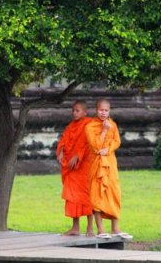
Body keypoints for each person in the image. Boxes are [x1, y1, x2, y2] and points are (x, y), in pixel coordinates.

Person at [85, 99, 132, 240]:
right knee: (97, 196)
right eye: (101, 110)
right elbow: (95, 146)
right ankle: (100, 229)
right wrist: (104, 131)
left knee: (114, 193)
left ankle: (115, 228)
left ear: (109, 111)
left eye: (106, 110)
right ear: (96, 110)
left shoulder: (113, 125)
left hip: (110, 164)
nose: (103, 113)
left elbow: (117, 141)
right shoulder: (90, 126)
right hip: (97, 165)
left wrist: (109, 149)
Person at [56, 100, 94, 236]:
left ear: (85, 112)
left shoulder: (90, 124)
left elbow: (90, 143)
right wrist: (60, 152)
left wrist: (78, 155)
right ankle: (75, 227)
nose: (74, 113)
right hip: (71, 167)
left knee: (86, 195)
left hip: (84, 165)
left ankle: (90, 228)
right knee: (72, 196)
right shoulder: (71, 126)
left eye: (77, 110)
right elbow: (64, 141)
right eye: (73, 110)